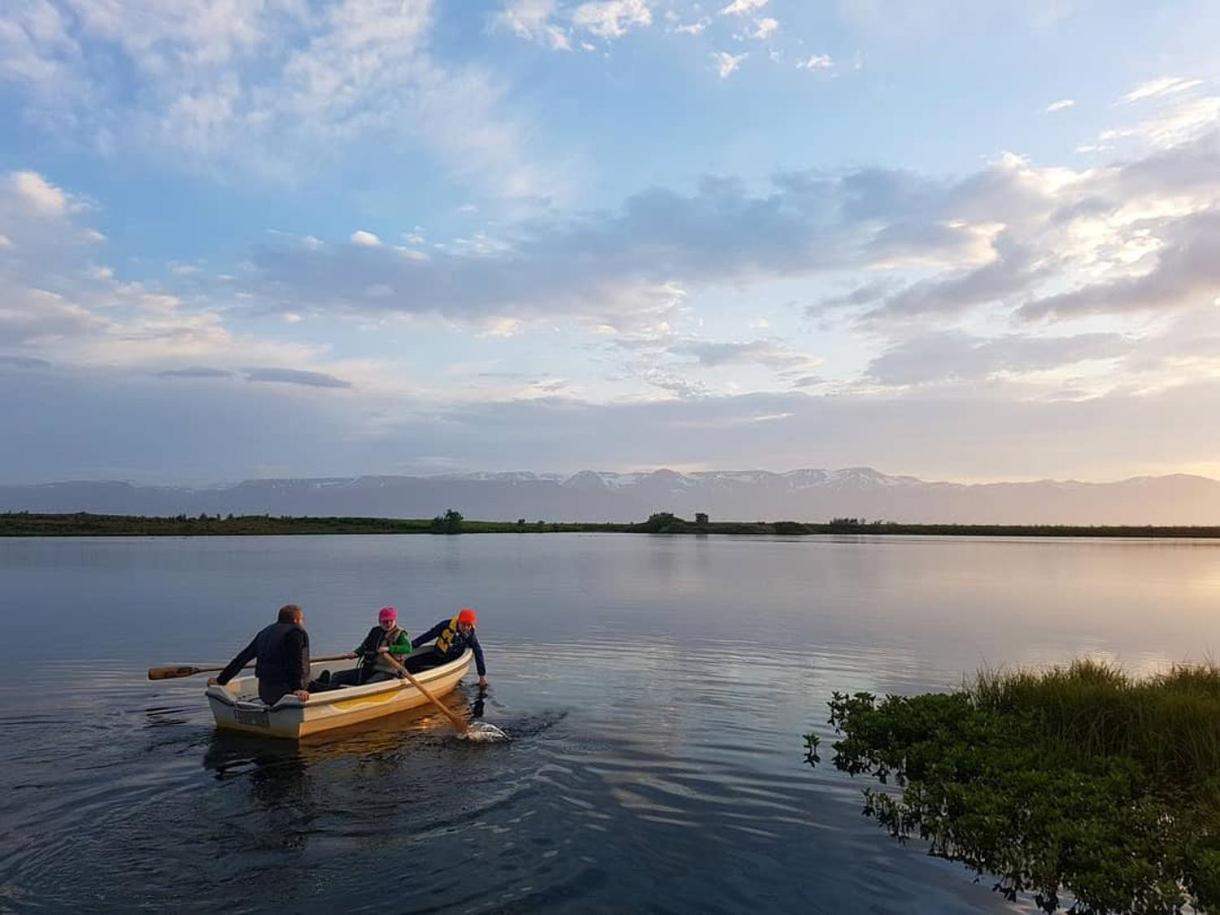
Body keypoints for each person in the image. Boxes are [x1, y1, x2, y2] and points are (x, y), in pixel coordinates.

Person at [208, 604, 310, 706]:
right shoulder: (295, 633)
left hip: (265, 694)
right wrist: (298, 689)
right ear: (296, 620)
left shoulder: (264, 633)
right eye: (302, 619)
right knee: (321, 686)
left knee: (317, 683)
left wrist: (220, 680)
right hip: (287, 694)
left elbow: (242, 658)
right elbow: (296, 662)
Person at [324, 606, 412, 688]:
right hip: (369, 668)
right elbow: (365, 646)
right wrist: (356, 653)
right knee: (337, 676)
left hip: (388, 671)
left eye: (391, 621)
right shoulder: (375, 631)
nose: (388, 624)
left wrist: (389, 648)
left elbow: (407, 648)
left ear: (395, 620)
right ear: (379, 621)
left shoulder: (400, 634)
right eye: (385, 621)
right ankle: (328, 693)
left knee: (368, 685)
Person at [405, 607, 487, 687]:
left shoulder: (470, 635)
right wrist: (411, 645)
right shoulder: (446, 625)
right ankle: (412, 681)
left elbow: (478, 652)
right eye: (463, 624)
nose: (465, 628)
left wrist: (482, 676)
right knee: (409, 662)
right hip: (438, 655)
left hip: (452, 662)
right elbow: (428, 636)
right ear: (459, 621)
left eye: (468, 625)